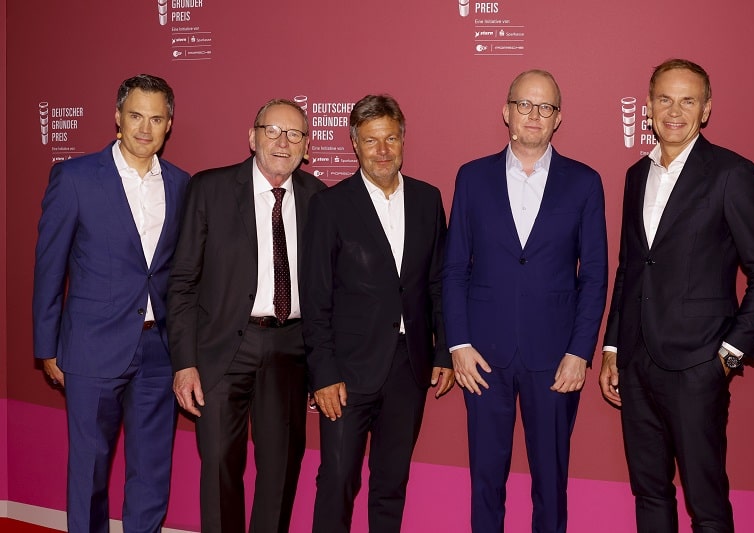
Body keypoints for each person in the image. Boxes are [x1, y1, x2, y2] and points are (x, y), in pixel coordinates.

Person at [599, 59, 754, 532]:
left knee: (707, 503)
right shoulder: (635, 175)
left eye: (687, 100)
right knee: (649, 493)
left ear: (706, 109)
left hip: (699, 366)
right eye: (664, 99)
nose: (674, 111)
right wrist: (614, 348)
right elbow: (629, 268)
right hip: (636, 363)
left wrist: (728, 355)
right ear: (648, 107)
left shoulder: (731, 173)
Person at [442, 69, 608, 533]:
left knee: (551, 483)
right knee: (485, 481)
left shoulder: (584, 182)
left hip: (555, 359)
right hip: (481, 358)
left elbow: (595, 275)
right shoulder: (472, 177)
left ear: (558, 118)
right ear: (506, 111)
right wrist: (458, 344)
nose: (534, 114)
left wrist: (580, 351)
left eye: (545, 107)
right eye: (524, 104)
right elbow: (454, 268)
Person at [32, 74, 189, 533]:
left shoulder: (182, 184)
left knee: (152, 472)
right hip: (92, 347)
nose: (145, 127)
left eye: (155, 118)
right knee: (89, 471)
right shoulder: (75, 177)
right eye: (136, 115)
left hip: (159, 350)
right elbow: (49, 267)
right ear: (117, 117)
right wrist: (47, 347)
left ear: (169, 125)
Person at [167, 99, 326, 533]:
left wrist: (324, 364)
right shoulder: (210, 189)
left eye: (294, 134)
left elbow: (331, 289)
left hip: (291, 349)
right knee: (220, 466)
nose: (282, 142)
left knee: (280, 471)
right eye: (272, 131)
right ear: (252, 137)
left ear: (306, 147)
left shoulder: (319, 198)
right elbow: (182, 282)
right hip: (221, 350)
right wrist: (184, 362)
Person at [302, 94, 454, 533]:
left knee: (392, 483)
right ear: (355, 144)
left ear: (403, 140)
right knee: (337, 481)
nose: (382, 150)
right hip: (346, 373)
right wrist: (323, 373)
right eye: (371, 141)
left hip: (409, 368)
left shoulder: (427, 199)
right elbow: (315, 297)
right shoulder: (330, 205)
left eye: (390, 139)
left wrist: (443, 351)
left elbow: (438, 283)